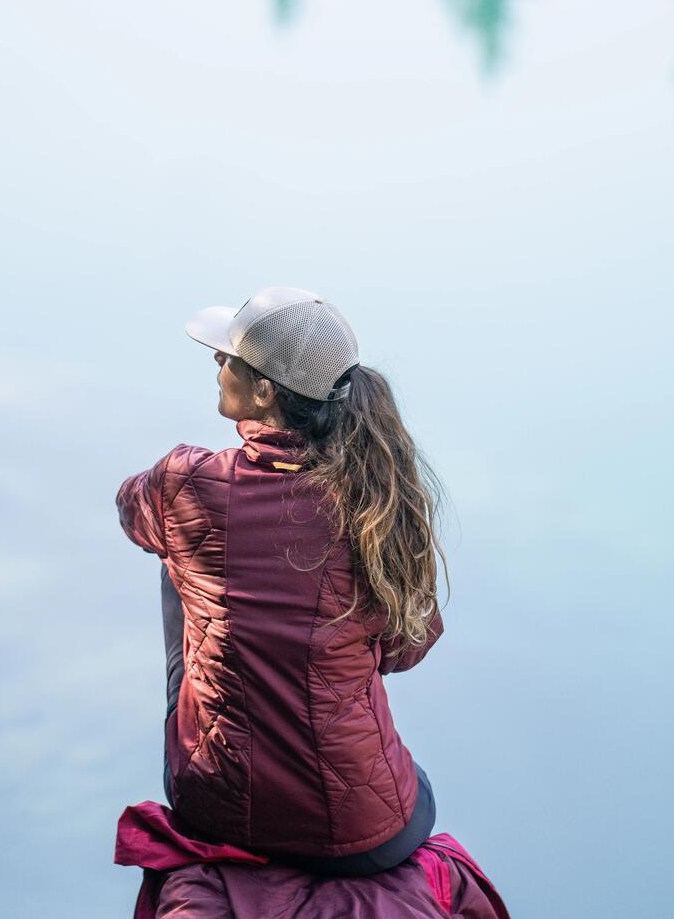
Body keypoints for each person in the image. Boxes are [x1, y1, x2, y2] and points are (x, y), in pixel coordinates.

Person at [116, 286, 448, 877]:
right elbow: (403, 650)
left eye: (229, 358)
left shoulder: (185, 482)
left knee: (176, 568)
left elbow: (132, 514)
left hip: (217, 808)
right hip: (369, 831)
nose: (217, 365)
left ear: (265, 391)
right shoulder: (379, 506)